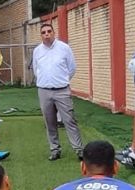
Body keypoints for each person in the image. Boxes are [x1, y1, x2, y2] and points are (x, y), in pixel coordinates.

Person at [32, 23, 84, 161]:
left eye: (49, 31)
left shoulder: (64, 48)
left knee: (70, 120)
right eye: (43, 32)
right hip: (44, 91)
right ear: (41, 35)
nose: (47, 34)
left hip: (62, 90)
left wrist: (61, 80)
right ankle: (55, 150)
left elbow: (72, 68)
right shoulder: (37, 51)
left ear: (54, 33)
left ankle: (79, 150)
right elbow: (36, 69)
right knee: (50, 122)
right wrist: (46, 82)